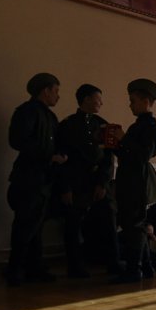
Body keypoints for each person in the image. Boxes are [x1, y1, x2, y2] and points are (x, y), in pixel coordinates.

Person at [6, 72, 67, 286]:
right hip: (29, 179)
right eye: (56, 91)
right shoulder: (26, 112)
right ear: (45, 91)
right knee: (25, 225)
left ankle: (33, 266)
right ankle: (15, 269)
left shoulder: (50, 117)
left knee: (36, 225)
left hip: (43, 179)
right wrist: (48, 156)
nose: (58, 96)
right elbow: (18, 140)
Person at [55, 84, 114, 277]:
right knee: (72, 225)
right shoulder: (67, 125)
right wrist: (65, 188)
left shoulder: (104, 125)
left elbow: (108, 158)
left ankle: (112, 262)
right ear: (86, 99)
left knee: (108, 220)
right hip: (75, 183)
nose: (101, 103)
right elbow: (61, 160)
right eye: (98, 99)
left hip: (96, 182)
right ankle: (75, 266)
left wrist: (102, 183)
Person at [110, 78, 156, 283]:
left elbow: (142, 155)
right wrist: (112, 144)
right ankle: (146, 266)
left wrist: (123, 139)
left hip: (136, 182)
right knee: (133, 224)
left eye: (133, 100)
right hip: (129, 180)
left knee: (134, 226)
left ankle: (135, 269)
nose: (130, 104)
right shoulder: (138, 126)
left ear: (146, 101)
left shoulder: (149, 127)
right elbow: (128, 154)